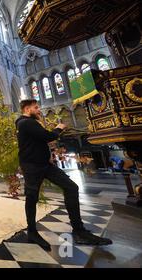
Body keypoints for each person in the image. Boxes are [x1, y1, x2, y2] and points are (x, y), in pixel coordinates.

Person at [16, 99, 112, 251]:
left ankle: (79, 230)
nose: (39, 109)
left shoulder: (30, 123)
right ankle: (32, 232)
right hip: (32, 166)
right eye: (36, 107)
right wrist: (59, 128)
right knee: (32, 197)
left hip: (44, 165)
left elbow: (40, 141)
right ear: (27, 109)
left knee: (71, 187)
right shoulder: (25, 122)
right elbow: (48, 136)